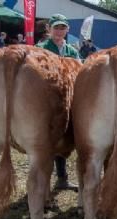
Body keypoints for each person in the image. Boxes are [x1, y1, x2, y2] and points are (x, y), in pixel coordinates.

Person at [36, 14, 80, 190]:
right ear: (49, 29)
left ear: (67, 30)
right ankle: (42, 181)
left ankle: (62, 178)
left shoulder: (72, 51)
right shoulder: (40, 49)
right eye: (56, 27)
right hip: (46, 102)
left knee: (63, 138)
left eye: (62, 28)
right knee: (45, 140)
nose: (59, 31)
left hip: (68, 101)